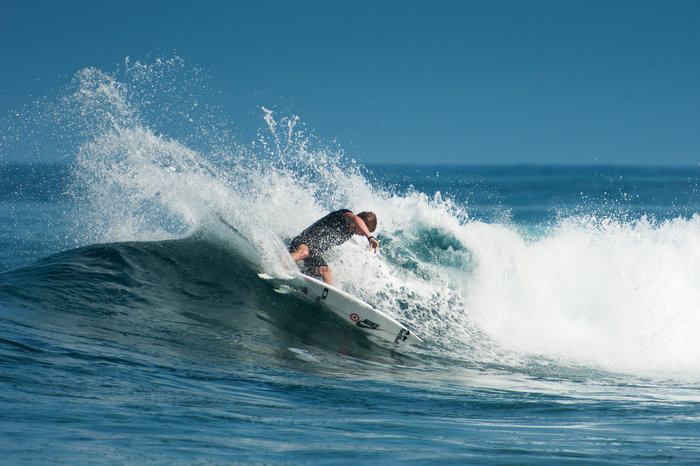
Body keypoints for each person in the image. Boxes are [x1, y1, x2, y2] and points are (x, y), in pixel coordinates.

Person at [288, 209, 378, 285]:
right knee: (304, 252)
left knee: (327, 272)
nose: (363, 234)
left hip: (312, 255)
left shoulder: (349, 233)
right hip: (301, 243)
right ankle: (280, 266)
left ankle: (329, 296)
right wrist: (370, 237)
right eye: (364, 230)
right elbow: (356, 219)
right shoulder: (344, 216)